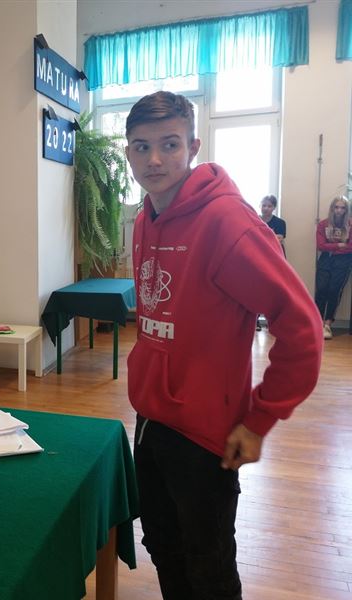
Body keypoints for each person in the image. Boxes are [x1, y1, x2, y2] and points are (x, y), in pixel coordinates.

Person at [124, 91, 323, 600]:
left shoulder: (227, 223)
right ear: (128, 152)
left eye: (169, 144)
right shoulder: (144, 219)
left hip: (205, 434)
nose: (154, 159)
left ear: (193, 147)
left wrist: (259, 420)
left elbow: (301, 326)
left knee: (208, 565)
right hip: (150, 420)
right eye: (142, 146)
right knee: (163, 544)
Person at [314, 195, 352, 340]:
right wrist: (339, 245)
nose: (339, 210)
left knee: (334, 291)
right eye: (336, 207)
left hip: (343, 261)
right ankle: (317, 322)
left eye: (342, 208)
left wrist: (331, 246)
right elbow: (320, 246)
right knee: (321, 290)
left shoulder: (350, 224)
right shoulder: (323, 224)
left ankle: (328, 324)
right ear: (332, 208)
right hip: (326, 259)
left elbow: (350, 247)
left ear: (346, 210)